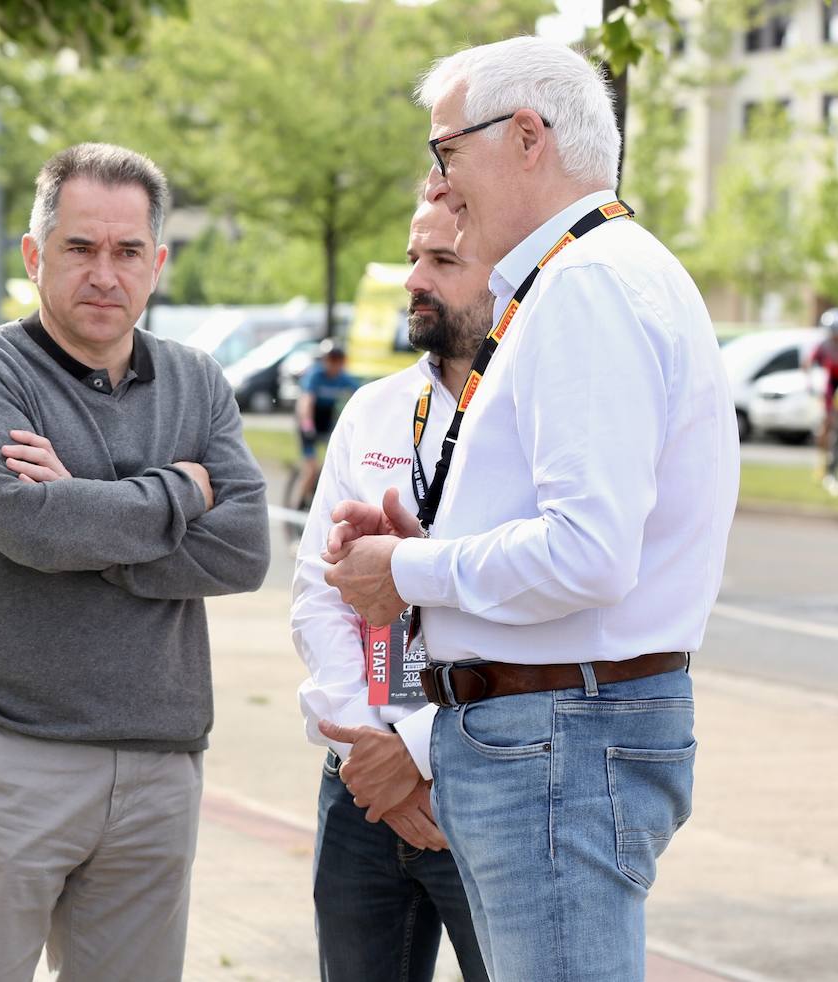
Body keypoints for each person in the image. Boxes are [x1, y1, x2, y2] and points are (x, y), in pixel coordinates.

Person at [322, 37, 739, 982]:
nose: (440, 181)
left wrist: (407, 571)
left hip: (558, 739)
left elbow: (589, 554)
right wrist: (428, 557)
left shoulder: (587, 284)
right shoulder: (590, 274)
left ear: (523, 137)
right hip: (560, 732)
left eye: (445, 151)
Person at [0, 142, 270, 982]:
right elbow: (31, 529)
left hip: (161, 762)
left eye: (127, 251)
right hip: (9, 750)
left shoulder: (198, 381)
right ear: (36, 256)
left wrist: (86, 503)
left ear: (158, 262)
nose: (104, 273)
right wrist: (180, 493)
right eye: (80, 248)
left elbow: (249, 547)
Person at [292, 196, 490, 982]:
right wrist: (369, 749)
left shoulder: (528, 416)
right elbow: (317, 592)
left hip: (478, 785)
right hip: (360, 784)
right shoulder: (375, 411)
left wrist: (421, 754)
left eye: (442, 262)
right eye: (415, 257)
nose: (416, 279)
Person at [292, 340, 360, 509]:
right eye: (331, 359)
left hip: (326, 422)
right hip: (308, 422)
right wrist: (307, 425)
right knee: (311, 468)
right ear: (325, 360)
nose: (334, 364)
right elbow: (306, 402)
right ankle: (297, 504)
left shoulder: (343, 377)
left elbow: (361, 394)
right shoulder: (315, 375)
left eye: (338, 360)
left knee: (337, 464)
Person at [806, 307, 838, 461]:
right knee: (827, 418)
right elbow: (809, 362)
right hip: (831, 380)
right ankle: (823, 457)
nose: (835, 336)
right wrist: (809, 380)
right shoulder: (823, 345)